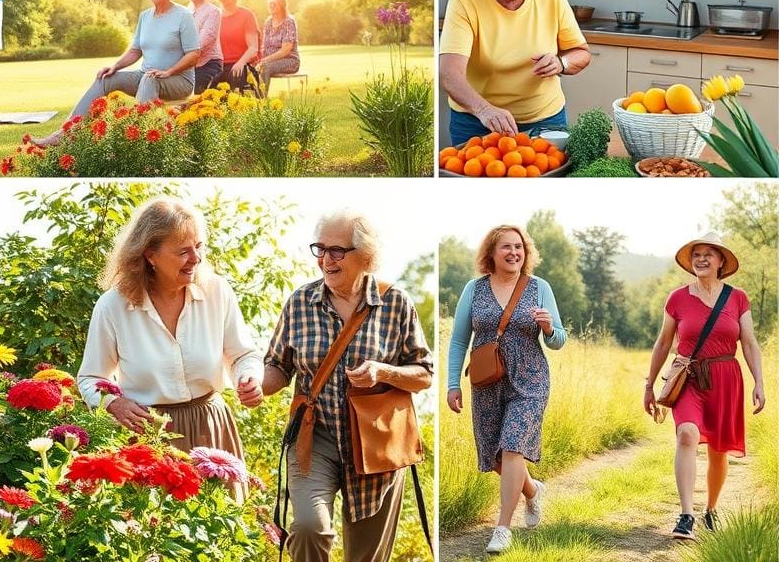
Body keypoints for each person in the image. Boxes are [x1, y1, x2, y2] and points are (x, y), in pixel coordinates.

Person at [262, 209, 433, 562]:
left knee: (366, 557)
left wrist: (383, 372)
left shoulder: (395, 303)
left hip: (376, 443)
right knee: (310, 526)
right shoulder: (299, 303)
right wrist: (254, 384)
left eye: (336, 250)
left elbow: (424, 373)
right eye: (319, 249)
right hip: (316, 435)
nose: (325, 259)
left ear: (365, 256)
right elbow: (278, 367)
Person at [77, 197, 263, 467]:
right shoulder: (113, 306)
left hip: (211, 430)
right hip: (148, 437)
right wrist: (113, 403)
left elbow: (244, 355)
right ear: (150, 255)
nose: (196, 258)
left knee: (219, 510)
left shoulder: (216, 290)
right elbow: (90, 378)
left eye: (199, 247)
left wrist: (249, 377)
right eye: (183, 251)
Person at [446, 225, 566, 555]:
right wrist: (453, 383)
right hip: (487, 382)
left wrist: (548, 327)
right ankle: (532, 490)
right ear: (491, 253)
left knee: (513, 446)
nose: (514, 253)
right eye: (506, 247)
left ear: (526, 253)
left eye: (519, 247)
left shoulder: (539, 287)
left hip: (530, 380)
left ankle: (502, 528)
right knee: (495, 457)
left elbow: (559, 340)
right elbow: (459, 340)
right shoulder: (475, 289)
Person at [643, 232, 765, 540]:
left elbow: (749, 343)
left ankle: (711, 509)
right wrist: (649, 385)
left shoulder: (738, 298)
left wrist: (759, 382)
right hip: (689, 377)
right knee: (686, 434)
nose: (701, 258)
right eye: (696, 254)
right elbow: (663, 343)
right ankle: (686, 515)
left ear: (721, 261)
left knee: (718, 451)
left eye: (708, 253)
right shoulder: (677, 298)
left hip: (726, 378)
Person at [439, 0, 592, 146]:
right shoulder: (465, 1)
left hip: (545, 122)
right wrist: (485, 110)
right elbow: (449, 74)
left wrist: (562, 63)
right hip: (478, 122)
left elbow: (581, 52)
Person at [33, 0, 199, 147]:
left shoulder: (184, 15)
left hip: (179, 80)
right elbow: (135, 50)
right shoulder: (145, 16)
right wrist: (114, 67)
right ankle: (65, 134)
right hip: (148, 76)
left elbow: (194, 54)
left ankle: (136, 142)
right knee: (105, 78)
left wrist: (168, 72)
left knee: (149, 78)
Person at [213, 0, 260, 92]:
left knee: (232, 85)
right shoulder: (214, 16)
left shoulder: (246, 15)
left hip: (240, 65)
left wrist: (241, 63)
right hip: (218, 66)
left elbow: (253, 48)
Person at [186, 0, 223, 94]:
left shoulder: (213, 11)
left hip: (209, 64)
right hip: (189, 64)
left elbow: (204, 40)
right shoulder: (186, 12)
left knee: (197, 99)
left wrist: (182, 54)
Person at [256, 0, 300, 91]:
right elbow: (265, 46)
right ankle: (249, 100)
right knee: (251, 66)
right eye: (270, 3)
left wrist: (265, 60)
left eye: (274, 3)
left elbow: (285, 50)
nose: (271, 5)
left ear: (282, 5)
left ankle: (261, 102)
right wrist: (257, 58)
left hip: (290, 61)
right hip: (270, 61)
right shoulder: (268, 22)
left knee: (265, 67)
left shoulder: (288, 22)